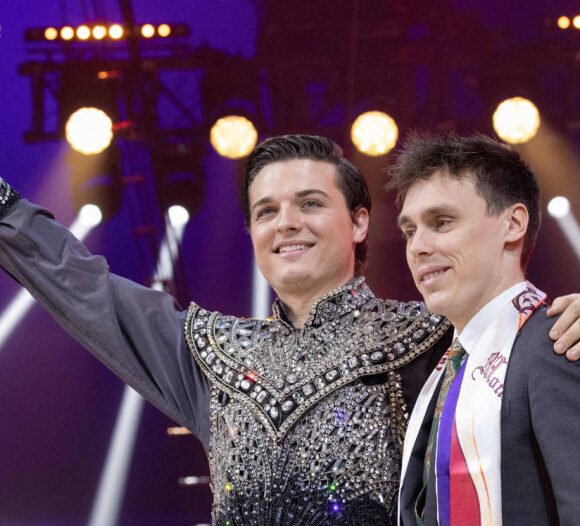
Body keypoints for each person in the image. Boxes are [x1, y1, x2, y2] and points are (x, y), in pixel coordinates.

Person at [0, 134, 578, 526]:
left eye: (308, 203)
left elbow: (515, 323)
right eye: (266, 211)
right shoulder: (212, 353)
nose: (287, 224)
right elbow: (86, 290)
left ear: (358, 222)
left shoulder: (438, 338)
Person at [390, 133, 580, 525]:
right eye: (410, 231)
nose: (417, 247)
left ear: (512, 224)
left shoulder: (557, 341)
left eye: (441, 222)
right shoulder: (440, 365)